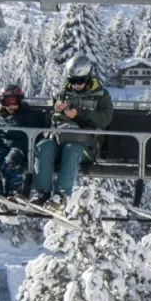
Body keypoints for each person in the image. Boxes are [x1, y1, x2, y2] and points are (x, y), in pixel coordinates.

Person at [29, 55, 113, 207]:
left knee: (72, 149)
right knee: (44, 146)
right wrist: (55, 112)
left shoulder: (101, 95)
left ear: (88, 78)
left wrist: (80, 113)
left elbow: (105, 119)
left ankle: (60, 196)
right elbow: (48, 122)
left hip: (87, 147)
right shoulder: (62, 94)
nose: (76, 85)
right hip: (60, 139)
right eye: (72, 81)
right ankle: (42, 192)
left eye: (80, 81)